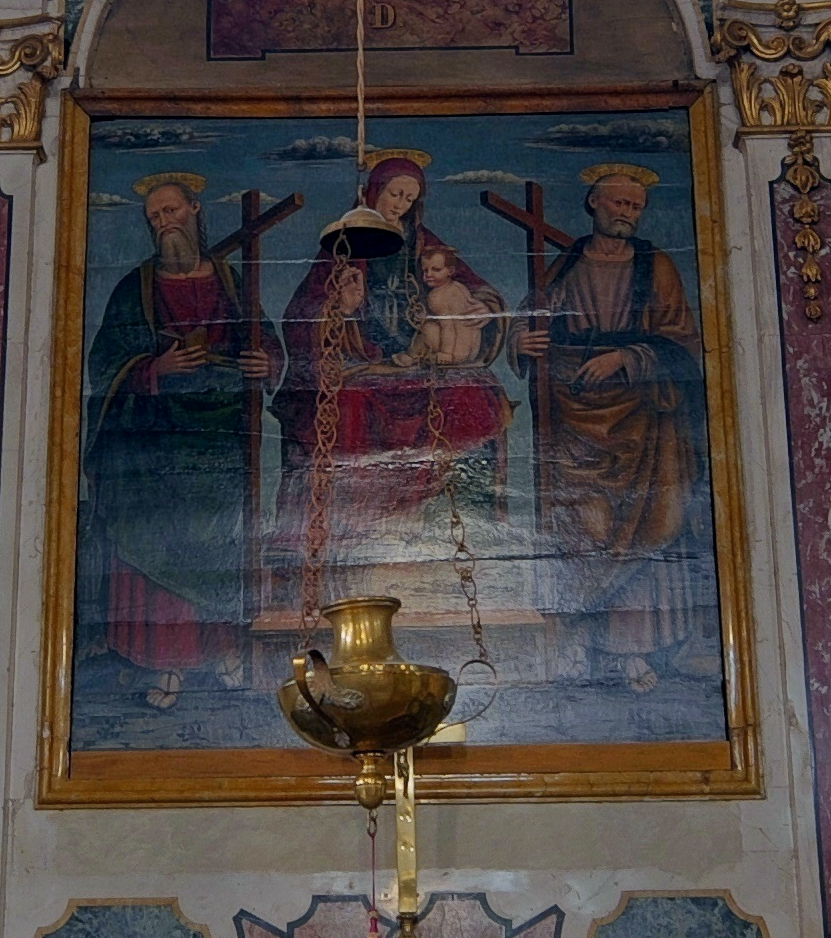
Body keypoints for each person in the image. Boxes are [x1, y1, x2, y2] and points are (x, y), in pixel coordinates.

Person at [273, 152, 511, 612]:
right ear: (372, 192)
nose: (400, 204)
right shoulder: (344, 246)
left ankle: (456, 537)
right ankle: (357, 536)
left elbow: (478, 288)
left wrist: (481, 306)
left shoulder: (426, 244)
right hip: (368, 364)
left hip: (426, 360)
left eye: (409, 197)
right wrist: (339, 309)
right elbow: (299, 316)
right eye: (393, 193)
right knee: (347, 405)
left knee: (475, 398)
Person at [80, 176, 278, 708]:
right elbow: (103, 367)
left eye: (170, 210)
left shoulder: (234, 283)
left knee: (223, 542)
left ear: (193, 209)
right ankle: (167, 665)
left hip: (220, 436)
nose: (163, 221)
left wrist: (267, 363)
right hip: (155, 439)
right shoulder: (134, 288)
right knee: (156, 538)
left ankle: (225, 652)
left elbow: (266, 344)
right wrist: (155, 366)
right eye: (153, 217)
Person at [525, 164, 706, 691]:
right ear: (593, 204)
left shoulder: (657, 266)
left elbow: (683, 340)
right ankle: (582, 644)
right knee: (586, 529)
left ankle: (635, 648)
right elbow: (536, 318)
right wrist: (523, 343)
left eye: (636, 207)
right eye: (618, 204)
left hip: (643, 418)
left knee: (648, 519)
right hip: (574, 411)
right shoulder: (566, 263)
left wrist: (626, 357)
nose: (627, 214)